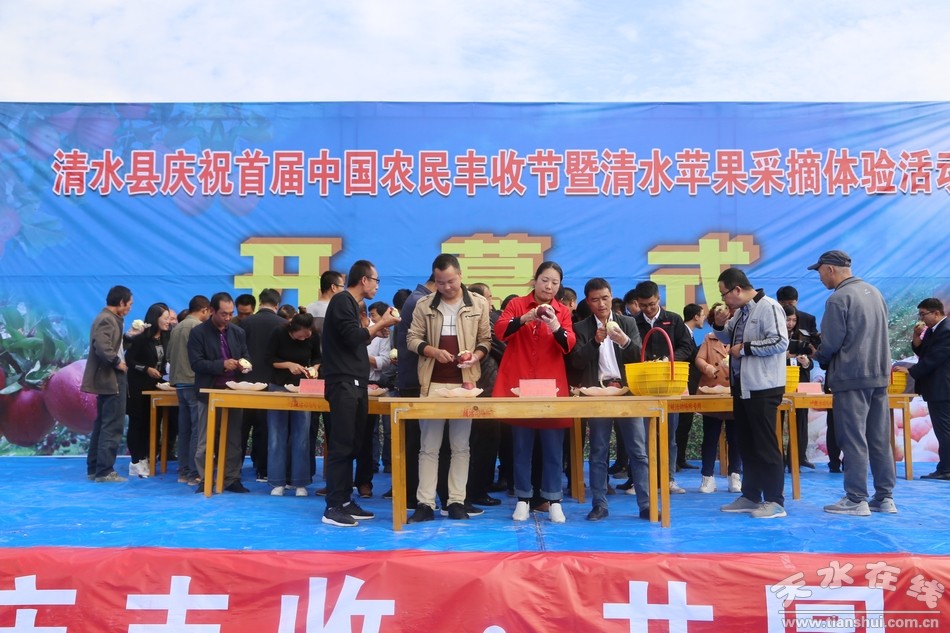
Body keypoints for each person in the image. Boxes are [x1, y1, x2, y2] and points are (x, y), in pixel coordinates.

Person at [809, 250, 896, 516]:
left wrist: (815, 355)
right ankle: (885, 497)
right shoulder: (874, 292)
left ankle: (856, 498)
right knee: (879, 438)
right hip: (878, 375)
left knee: (853, 439)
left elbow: (831, 343)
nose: (820, 277)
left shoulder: (839, 298)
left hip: (851, 376)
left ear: (830, 269)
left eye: (820, 271)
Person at [406, 254, 492, 522]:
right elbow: (411, 339)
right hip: (432, 383)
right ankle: (425, 503)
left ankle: (456, 501)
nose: (446, 287)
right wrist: (432, 351)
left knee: (460, 445)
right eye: (440, 282)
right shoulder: (424, 305)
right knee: (428, 446)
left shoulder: (478, 304)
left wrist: (475, 356)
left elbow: (486, 340)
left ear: (460, 276)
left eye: (451, 281)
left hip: (465, 384)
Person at [493, 261, 576, 523]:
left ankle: (554, 500)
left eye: (554, 282)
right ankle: (523, 498)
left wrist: (555, 325)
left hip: (551, 386)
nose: (549, 286)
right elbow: (500, 330)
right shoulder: (517, 304)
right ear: (535, 280)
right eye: (544, 280)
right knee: (521, 445)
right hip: (521, 385)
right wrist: (527, 317)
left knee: (553, 446)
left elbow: (569, 344)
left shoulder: (562, 311)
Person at [321, 260, 400, 527]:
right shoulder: (342, 300)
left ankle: (345, 500)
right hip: (342, 382)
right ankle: (333, 506)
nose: (377, 286)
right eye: (376, 280)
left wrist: (377, 329)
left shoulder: (352, 306)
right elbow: (352, 337)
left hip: (356, 382)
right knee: (342, 444)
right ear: (364, 280)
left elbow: (355, 338)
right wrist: (381, 323)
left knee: (354, 444)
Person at [570, 277, 649, 521]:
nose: (601, 304)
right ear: (588, 302)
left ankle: (646, 504)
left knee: (638, 451)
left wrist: (624, 341)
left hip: (627, 392)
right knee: (598, 451)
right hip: (598, 393)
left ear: (612, 296)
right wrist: (595, 341)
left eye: (605, 298)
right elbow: (576, 361)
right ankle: (599, 505)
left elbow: (641, 356)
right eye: (595, 300)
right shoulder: (581, 327)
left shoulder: (627, 322)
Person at [713, 267, 789, 519]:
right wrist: (719, 323)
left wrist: (745, 348)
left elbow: (780, 341)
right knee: (746, 443)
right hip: (742, 386)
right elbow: (726, 336)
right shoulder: (741, 312)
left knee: (765, 445)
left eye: (724, 294)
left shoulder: (769, 307)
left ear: (737, 289)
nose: (724, 299)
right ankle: (751, 495)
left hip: (763, 387)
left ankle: (775, 500)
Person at [631, 280, 693, 495]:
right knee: (641, 435)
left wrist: (669, 359)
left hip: (669, 384)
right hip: (643, 385)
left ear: (658, 298)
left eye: (651, 304)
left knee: (669, 435)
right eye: (643, 305)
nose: (648, 309)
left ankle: (668, 478)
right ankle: (642, 480)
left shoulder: (673, 320)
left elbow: (687, 347)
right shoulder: (633, 322)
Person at [187, 292, 252, 493]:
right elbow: (196, 363)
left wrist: (244, 365)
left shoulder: (237, 332)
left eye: (230, 314)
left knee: (233, 438)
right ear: (212, 311)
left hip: (233, 391)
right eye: (224, 314)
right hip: (209, 392)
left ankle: (231, 478)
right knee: (205, 439)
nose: (227, 318)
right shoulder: (198, 333)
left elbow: (246, 356)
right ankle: (205, 478)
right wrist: (222, 365)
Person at [266, 312, 321, 496]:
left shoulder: (313, 335)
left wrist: (314, 368)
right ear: (292, 329)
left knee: (302, 433)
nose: (305, 338)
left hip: (302, 387)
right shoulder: (278, 333)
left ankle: (300, 482)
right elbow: (269, 359)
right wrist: (288, 364)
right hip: (278, 386)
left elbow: (317, 357)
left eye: (308, 335)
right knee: (276, 434)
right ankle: (277, 481)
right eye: (301, 335)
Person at [82, 285, 133, 482]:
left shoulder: (110, 319)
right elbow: (102, 346)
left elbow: (113, 344)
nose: (129, 308)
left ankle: (95, 469)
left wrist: (128, 337)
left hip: (109, 378)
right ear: (121, 302)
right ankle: (105, 471)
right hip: (112, 378)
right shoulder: (107, 319)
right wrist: (117, 362)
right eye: (129, 304)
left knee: (102, 424)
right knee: (112, 424)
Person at [235, 288, 286, 482]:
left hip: (245, 382)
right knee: (266, 428)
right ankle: (263, 469)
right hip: (271, 383)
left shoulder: (245, 323)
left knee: (241, 428)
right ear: (277, 304)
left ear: (259, 302)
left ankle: (234, 468)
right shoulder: (283, 324)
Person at [694, 303, 741, 493]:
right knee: (710, 437)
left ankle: (735, 475)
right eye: (720, 318)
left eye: (728, 318)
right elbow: (699, 359)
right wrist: (707, 367)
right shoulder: (709, 337)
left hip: (734, 393)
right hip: (712, 392)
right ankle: (707, 477)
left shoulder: (739, 337)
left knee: (735, 437)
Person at [125, 302, 173, 478]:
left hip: (158, 385)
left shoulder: (168, 337)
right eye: (165, 318)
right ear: (155, 318)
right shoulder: (141, 337)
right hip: (138, 386)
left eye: (169, 318)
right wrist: (146, 369)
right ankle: (136, 460)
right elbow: (129, 360)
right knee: (138, 422)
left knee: (154, 422)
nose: (168, 321)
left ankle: (149, 456)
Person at [167, 294, 211, 485]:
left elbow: (168, 355)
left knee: (184, 429)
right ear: (204, 310)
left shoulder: (177, 327)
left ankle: (184, 472)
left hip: (179, 383)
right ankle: (195, 472)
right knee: (197, 430)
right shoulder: (198, 328)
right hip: (194, 382)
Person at [907, 298, 950, 481]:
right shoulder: (934, 330)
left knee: (945, 430)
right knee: (942, 430)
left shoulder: (946, 330)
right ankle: (944, 467)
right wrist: (916, 336)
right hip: (936, 388)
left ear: (936, 313)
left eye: (923, 314)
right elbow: (924, 353)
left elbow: (934, 359)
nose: (921, 318)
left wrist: (910, 371)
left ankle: (947, 469)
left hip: (943, 388)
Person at [783, 304, 815, 470]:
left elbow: (811, 361)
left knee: (800, 421)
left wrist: (806, 362)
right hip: (780, 384)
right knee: (777, 422)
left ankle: (796, 459)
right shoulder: (775, 335)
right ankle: (778, 459)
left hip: (799, 385)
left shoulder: (801, 337)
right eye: (787, 319)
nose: (790, 323)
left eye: (793, 320)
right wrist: (784, 356)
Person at [675, 302, 704, 471]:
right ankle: (675, 459)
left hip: (691, 384)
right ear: (696, 316)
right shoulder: (683, 332)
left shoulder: (690, 334)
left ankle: (680, 458)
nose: (703, 319)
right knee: (680, 423)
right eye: (702, 315)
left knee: (686, 423)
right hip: (683, 384)